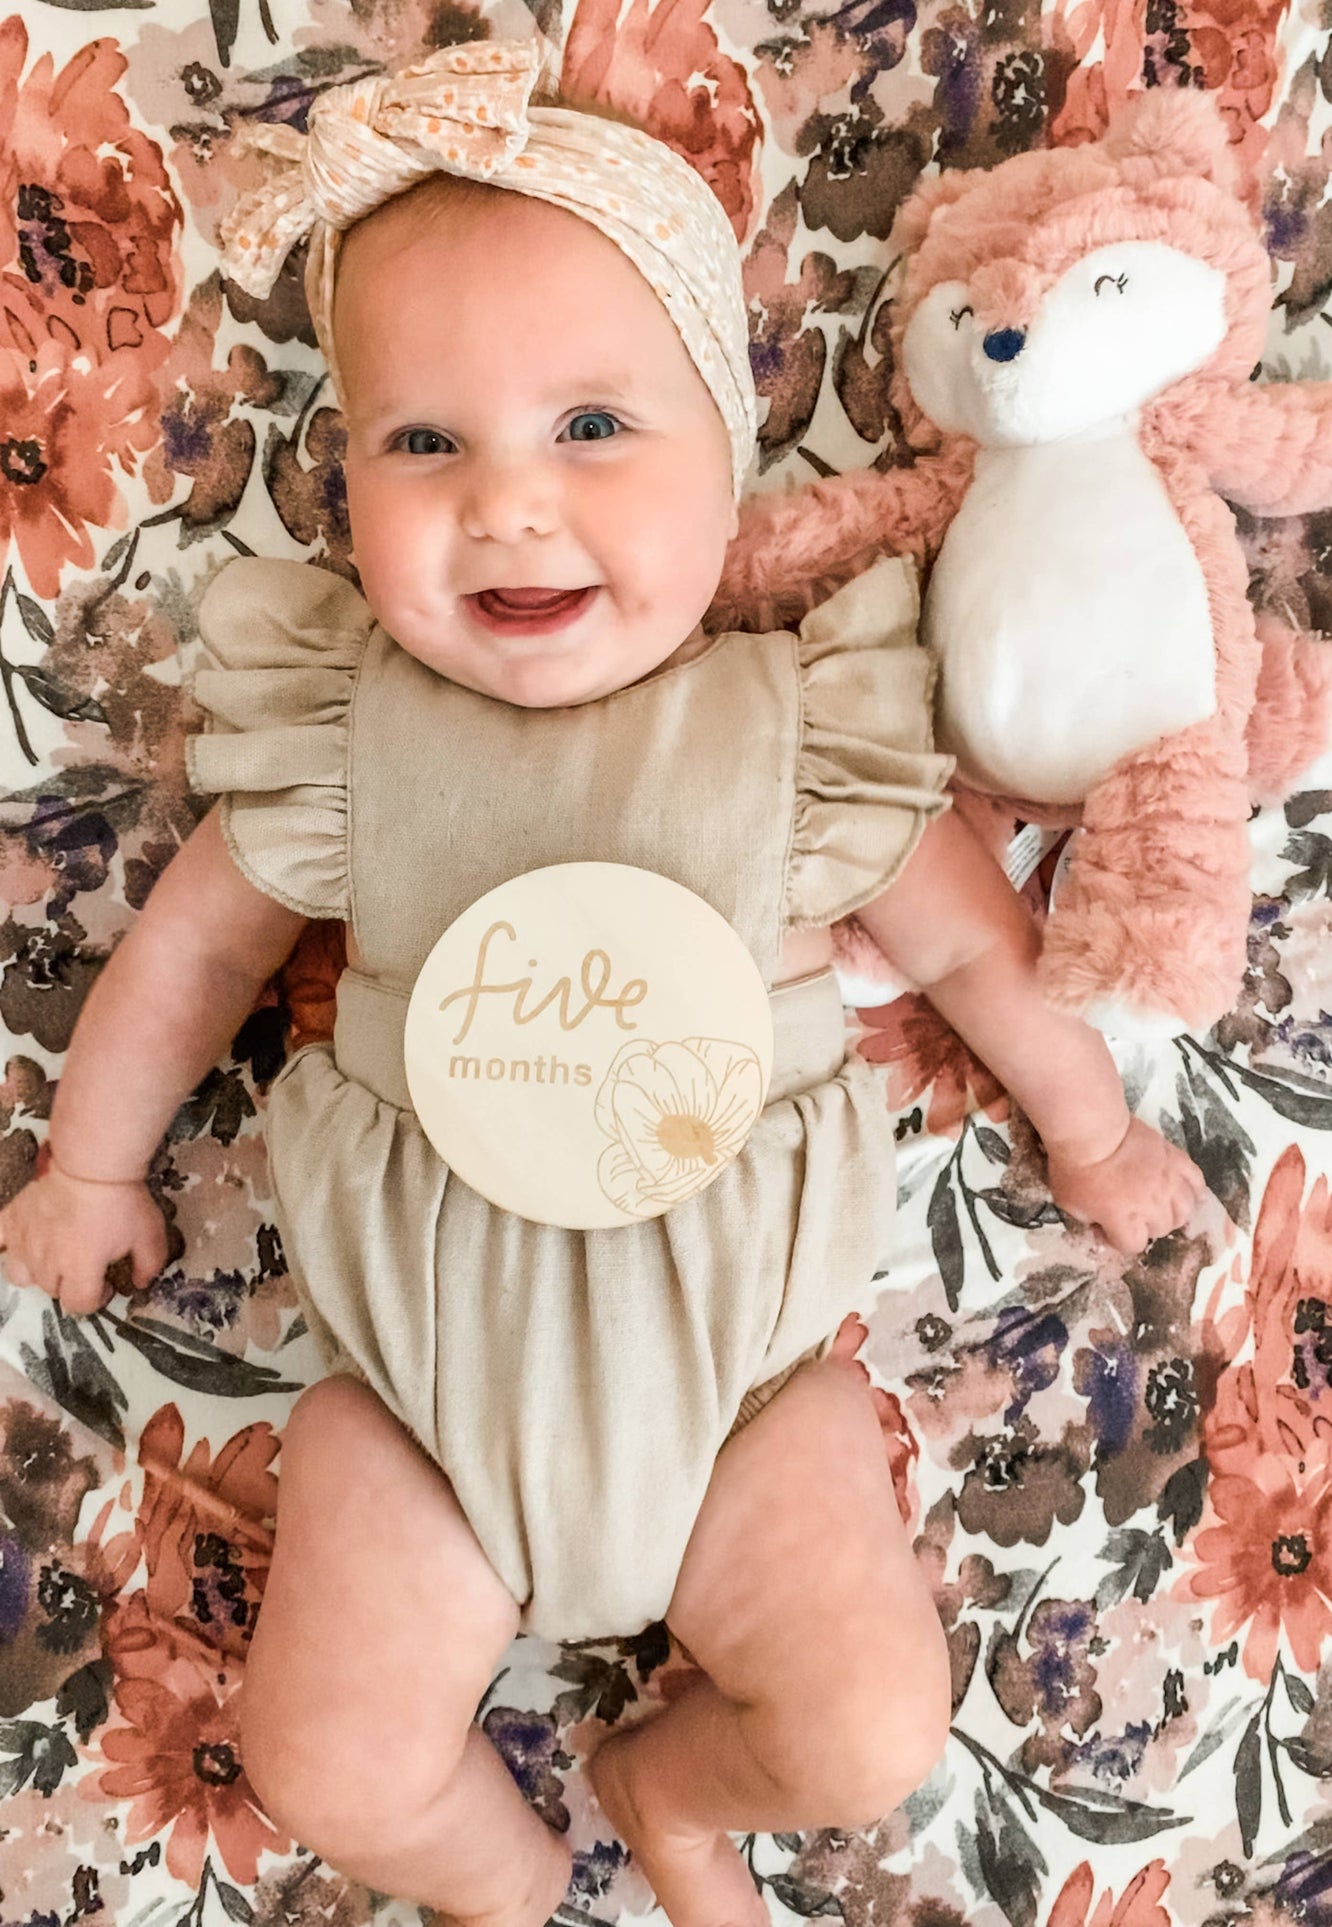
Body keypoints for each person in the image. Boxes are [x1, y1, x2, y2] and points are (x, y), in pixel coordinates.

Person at [0, 42, 1205, 1927]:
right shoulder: (348, 741)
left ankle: (667, 1786)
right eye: (423, 445)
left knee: (873, 1729)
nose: (507, 506)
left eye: (590, 430)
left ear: (726, 456)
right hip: (418, 1416)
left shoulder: (794, 735)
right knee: (324, 1762)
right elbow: (191, 953)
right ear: (346, 479)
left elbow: (976, 942)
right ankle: (495, 1887)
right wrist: (90, 1166)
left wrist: (1094, 1119)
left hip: (747, 1395)